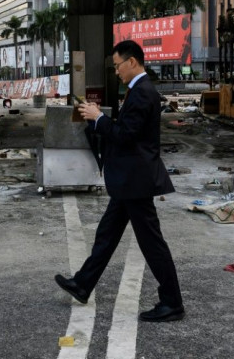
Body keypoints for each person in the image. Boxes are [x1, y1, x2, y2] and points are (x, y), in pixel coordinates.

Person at [55, 39, 184, 322]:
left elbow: (125, 135)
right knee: (107, 234)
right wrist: (96, 118)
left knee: (152, 244)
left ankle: (172, 302)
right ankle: (82, 283)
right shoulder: (138, 90)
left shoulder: (142, 93)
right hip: (130, 181)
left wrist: (99, 118)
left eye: (118, 66)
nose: (116, 71)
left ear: (132, 62)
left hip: (136, 181)